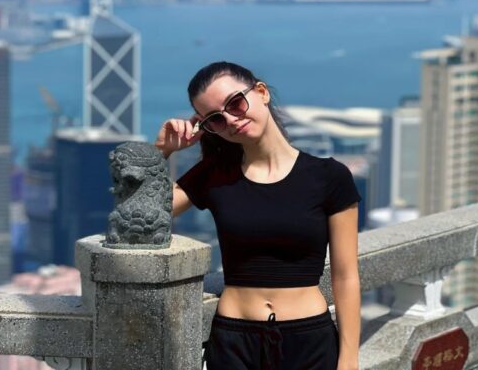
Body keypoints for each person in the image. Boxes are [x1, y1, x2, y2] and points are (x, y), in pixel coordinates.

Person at [154, 62, 361, 370]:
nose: (231, 120)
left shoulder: (329, 177)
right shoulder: (215, 174)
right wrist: (161, 151)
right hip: (234, 343)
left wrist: (349, 360)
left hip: (309, 342)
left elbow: (345, 276)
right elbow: (143, 215)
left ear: (261, 92)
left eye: (235, 103)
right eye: (215, 120)